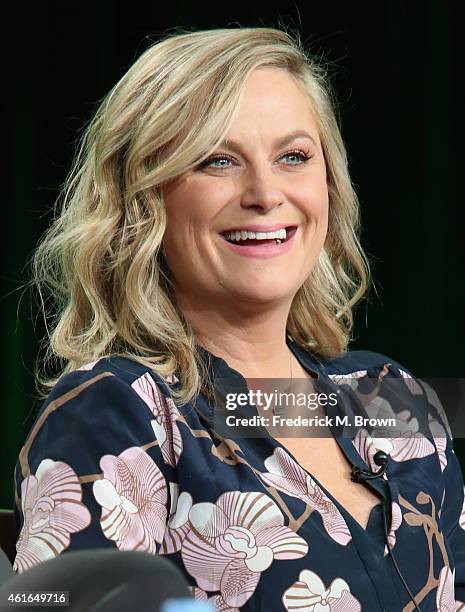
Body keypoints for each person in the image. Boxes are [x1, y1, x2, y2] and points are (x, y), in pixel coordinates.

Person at [10, 26, 465, 611]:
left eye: (294, 157)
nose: (264, 192)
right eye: (217, 160)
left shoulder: (393, 397)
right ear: (142, 201)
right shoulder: (116, 409)